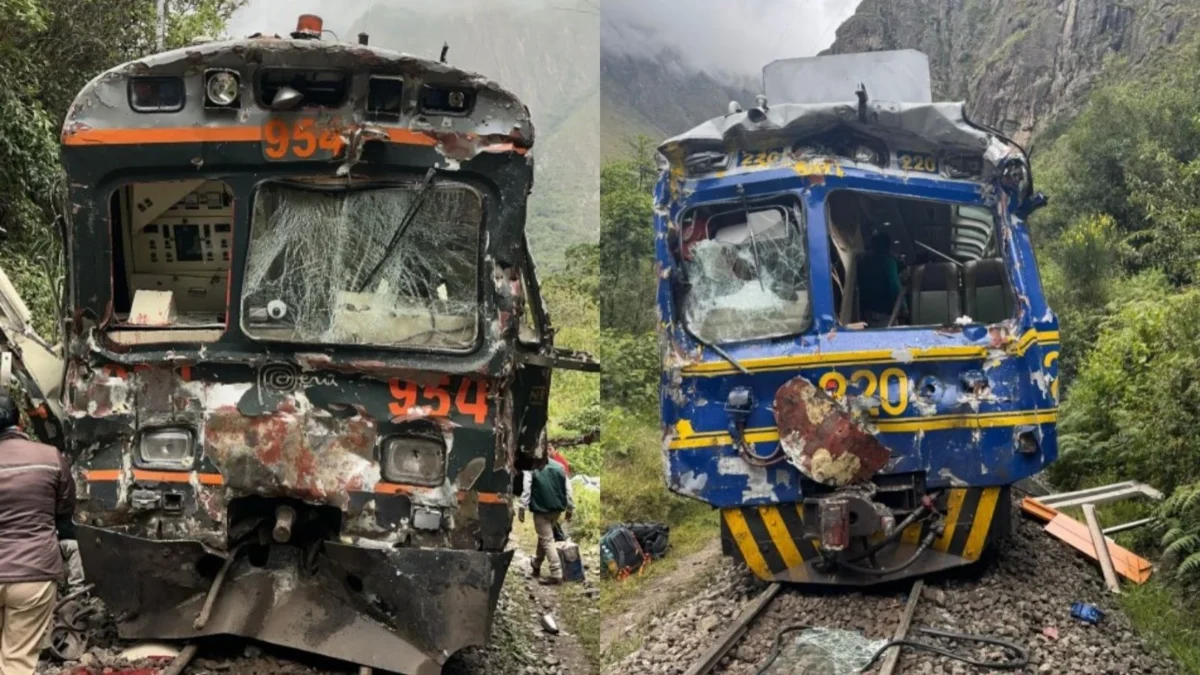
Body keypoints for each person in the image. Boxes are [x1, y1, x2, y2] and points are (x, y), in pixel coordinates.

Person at [0, 390, 75, 675]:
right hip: (34, 573)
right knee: (17, 661)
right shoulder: (49, 457)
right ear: (19, 423)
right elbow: (66, 508)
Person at [518, 457, 574, 586]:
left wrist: (522, 507)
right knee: (544, 537)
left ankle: (556, 573)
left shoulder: (531, 467)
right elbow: (568, 489)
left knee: (547, 540)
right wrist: (570, 507)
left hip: (541, 509)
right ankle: (536, 563)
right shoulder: (559, 466)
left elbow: (527, 488)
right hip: (557, 510)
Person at [858, 231, 906, 325]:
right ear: (888, 246)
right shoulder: (888, 262)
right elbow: (894, 286)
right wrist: (903, 307)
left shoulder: (864, 262)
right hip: (886, 314)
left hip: (867, 313)